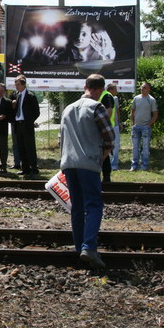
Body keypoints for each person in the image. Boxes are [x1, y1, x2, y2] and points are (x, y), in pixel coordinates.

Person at [60, 74, 115, 269]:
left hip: (69, 164)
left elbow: (62, 138)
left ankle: (79, 248)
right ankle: (89, 247)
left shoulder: (67, 109)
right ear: (101, 90)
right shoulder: (97, 107)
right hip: (88, 163)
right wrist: (103, 155)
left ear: (85, 87)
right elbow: (109, 136)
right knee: (94, 206)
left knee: (77, 207)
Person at [12, 75, 40, 176]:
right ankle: (25, 168)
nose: (16, 87)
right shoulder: (16, 95)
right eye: (16, 85)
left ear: (23, 84)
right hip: (18, 125)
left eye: (18, 85)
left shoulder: (30, 96)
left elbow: (36, 112)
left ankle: (34, 168)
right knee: (21, 147)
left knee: (30, 147)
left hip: (26, 125)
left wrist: (30, 121)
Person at [130, 82, 158, 171]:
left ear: (149, 89)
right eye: (142, 87)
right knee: (135, 148)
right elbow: (132, 112)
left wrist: (149, 124)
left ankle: (144, 166)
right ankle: (134, 165)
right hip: (136, 127)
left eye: (145, 87)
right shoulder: (136, 98)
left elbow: (155, 115)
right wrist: (133, 124)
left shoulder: (151, 100)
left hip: (145, 127)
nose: (142, 89)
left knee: (145, 148)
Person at [98, 85, 116, 183]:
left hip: (104, 128)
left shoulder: (107, 96)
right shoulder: (102, 96)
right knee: (102, 151)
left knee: (104, 151)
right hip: (102, 128)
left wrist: (102, 125)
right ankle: (105, 177)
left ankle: (106, 177)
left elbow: (108, 112)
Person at [107, 83, 122, 171]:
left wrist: (119, 122)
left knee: (116, 145)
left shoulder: (115, 99)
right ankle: (108, 163)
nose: (116, 91)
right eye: (115, 89)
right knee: (107, 146)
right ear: (110, 90)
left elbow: (117, 111)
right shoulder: (104, 98)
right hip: (107, 126)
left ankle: (114, 164)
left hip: (115, 126)